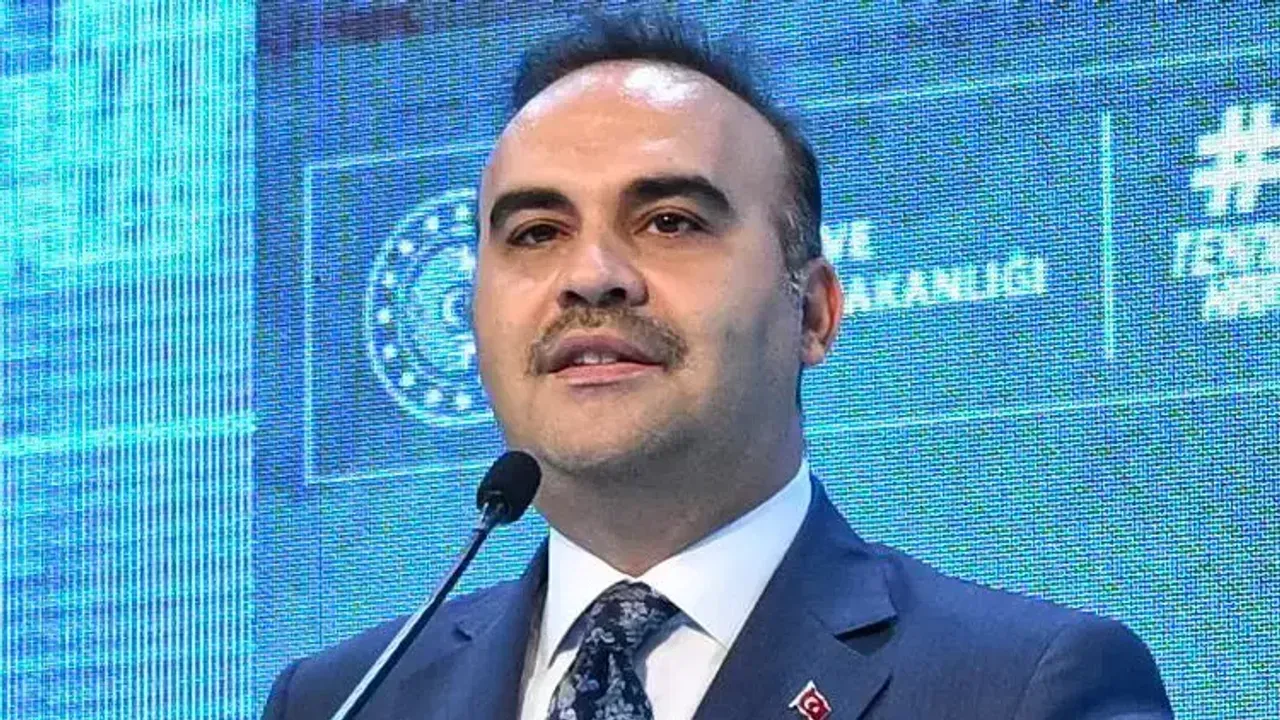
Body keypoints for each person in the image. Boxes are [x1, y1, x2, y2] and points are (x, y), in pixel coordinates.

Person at [262, 12, 1172, 720]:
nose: (592, 276)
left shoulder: (1025, 687)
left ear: (812, 313)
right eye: (536, 233)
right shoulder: (344, 700)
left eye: (670, 222)